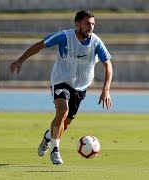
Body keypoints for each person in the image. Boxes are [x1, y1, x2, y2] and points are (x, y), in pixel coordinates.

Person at [9, 10, 113, 165]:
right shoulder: (64, 36)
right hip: (61, 80)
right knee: (62, 111)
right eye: (87, 24)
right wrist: (20, 60)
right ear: (77, 24)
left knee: (65, 123)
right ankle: (55, 150)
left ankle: (47, 137)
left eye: (92, 24)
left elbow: (108, 66)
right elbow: (39, 45)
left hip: (81, 87)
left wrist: (106, 90)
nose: (90, 27)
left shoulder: (96, 42)